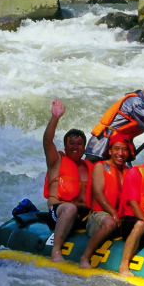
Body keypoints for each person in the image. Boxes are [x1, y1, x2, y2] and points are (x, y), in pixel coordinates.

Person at [43, 99, 92, 262]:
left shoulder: (90, 168)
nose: (75, 147)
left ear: (84, 148)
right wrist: (55, 118)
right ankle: (55, 252)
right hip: (58, 211)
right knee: (70, 209)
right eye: (71, 143)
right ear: (65, 146)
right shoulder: (56, 161)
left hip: (83, 215)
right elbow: (47, 141)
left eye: (79, 144)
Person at [78, 136, 135, 269]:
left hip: (120, 217)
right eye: (116, 149)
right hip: (99, 216)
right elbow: (98, 193)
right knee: (109, 223)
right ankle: (85, 258)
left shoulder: (129, 172)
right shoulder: (100, 166)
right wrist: (114, 213)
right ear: (109, 151)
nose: (120, 153)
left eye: (124, 149)